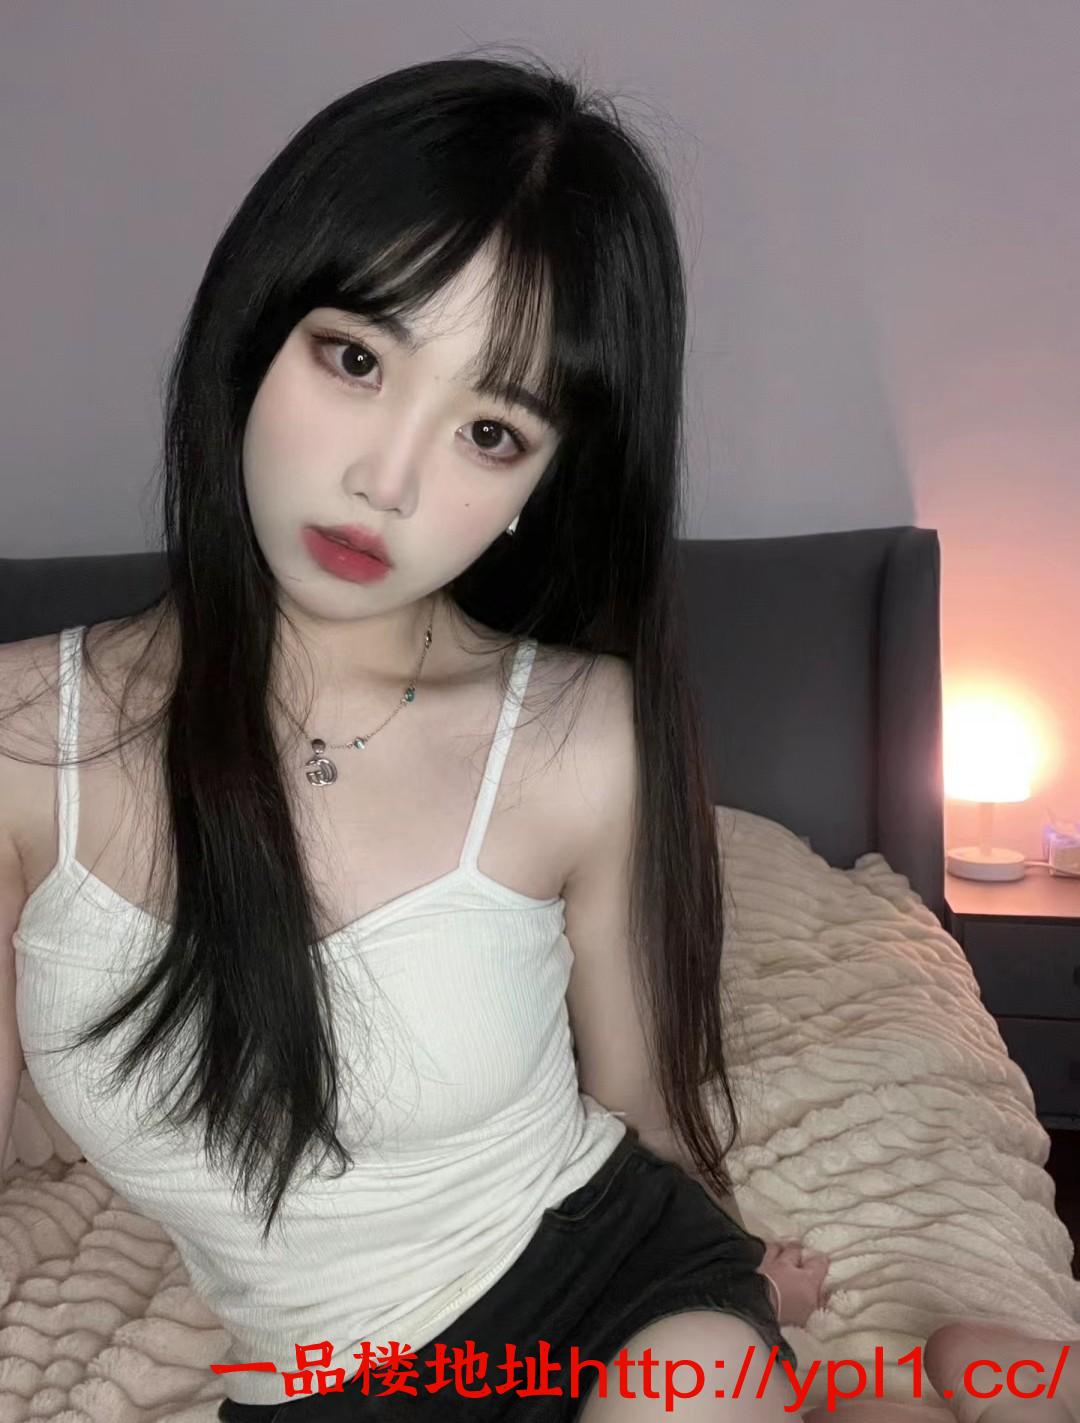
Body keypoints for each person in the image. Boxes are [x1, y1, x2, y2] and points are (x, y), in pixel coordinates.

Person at [0, 47, 1074, 1423]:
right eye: (354, 359)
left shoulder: (579, 735)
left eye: (492, 431)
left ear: (542, 485)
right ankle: (922, 1383)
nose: (386, 479)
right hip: (323, 1385)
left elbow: (640, 1104)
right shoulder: (24, 741)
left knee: (693, 1393)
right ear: (252, 335)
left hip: (608, 1277)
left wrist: (738, 1270)